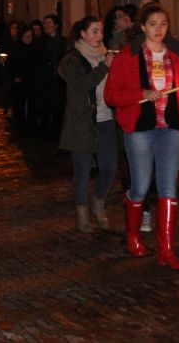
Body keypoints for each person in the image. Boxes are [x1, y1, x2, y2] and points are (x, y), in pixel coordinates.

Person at [104, 4, 179, 270]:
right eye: (153, 24)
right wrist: (140, 94)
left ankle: (166, 249)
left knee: (168, 187)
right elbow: (111, 95)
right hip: (140, 130)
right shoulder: (128, 56)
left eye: (163, 24)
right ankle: (133, 236)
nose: (159, 29)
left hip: (171, 128)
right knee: (141, 186)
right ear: (143, 26)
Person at [58, 17, 116, 233]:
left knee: (109, 167)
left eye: (101, 31)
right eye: (94, 31)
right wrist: (104, 68)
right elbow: (82, 85)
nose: (99, 36)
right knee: (82, 171)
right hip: (81, 121)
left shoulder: (107, 54)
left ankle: (98, 202)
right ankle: (82, 214)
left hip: (106, 119)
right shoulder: (72, 60)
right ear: (82, 33)